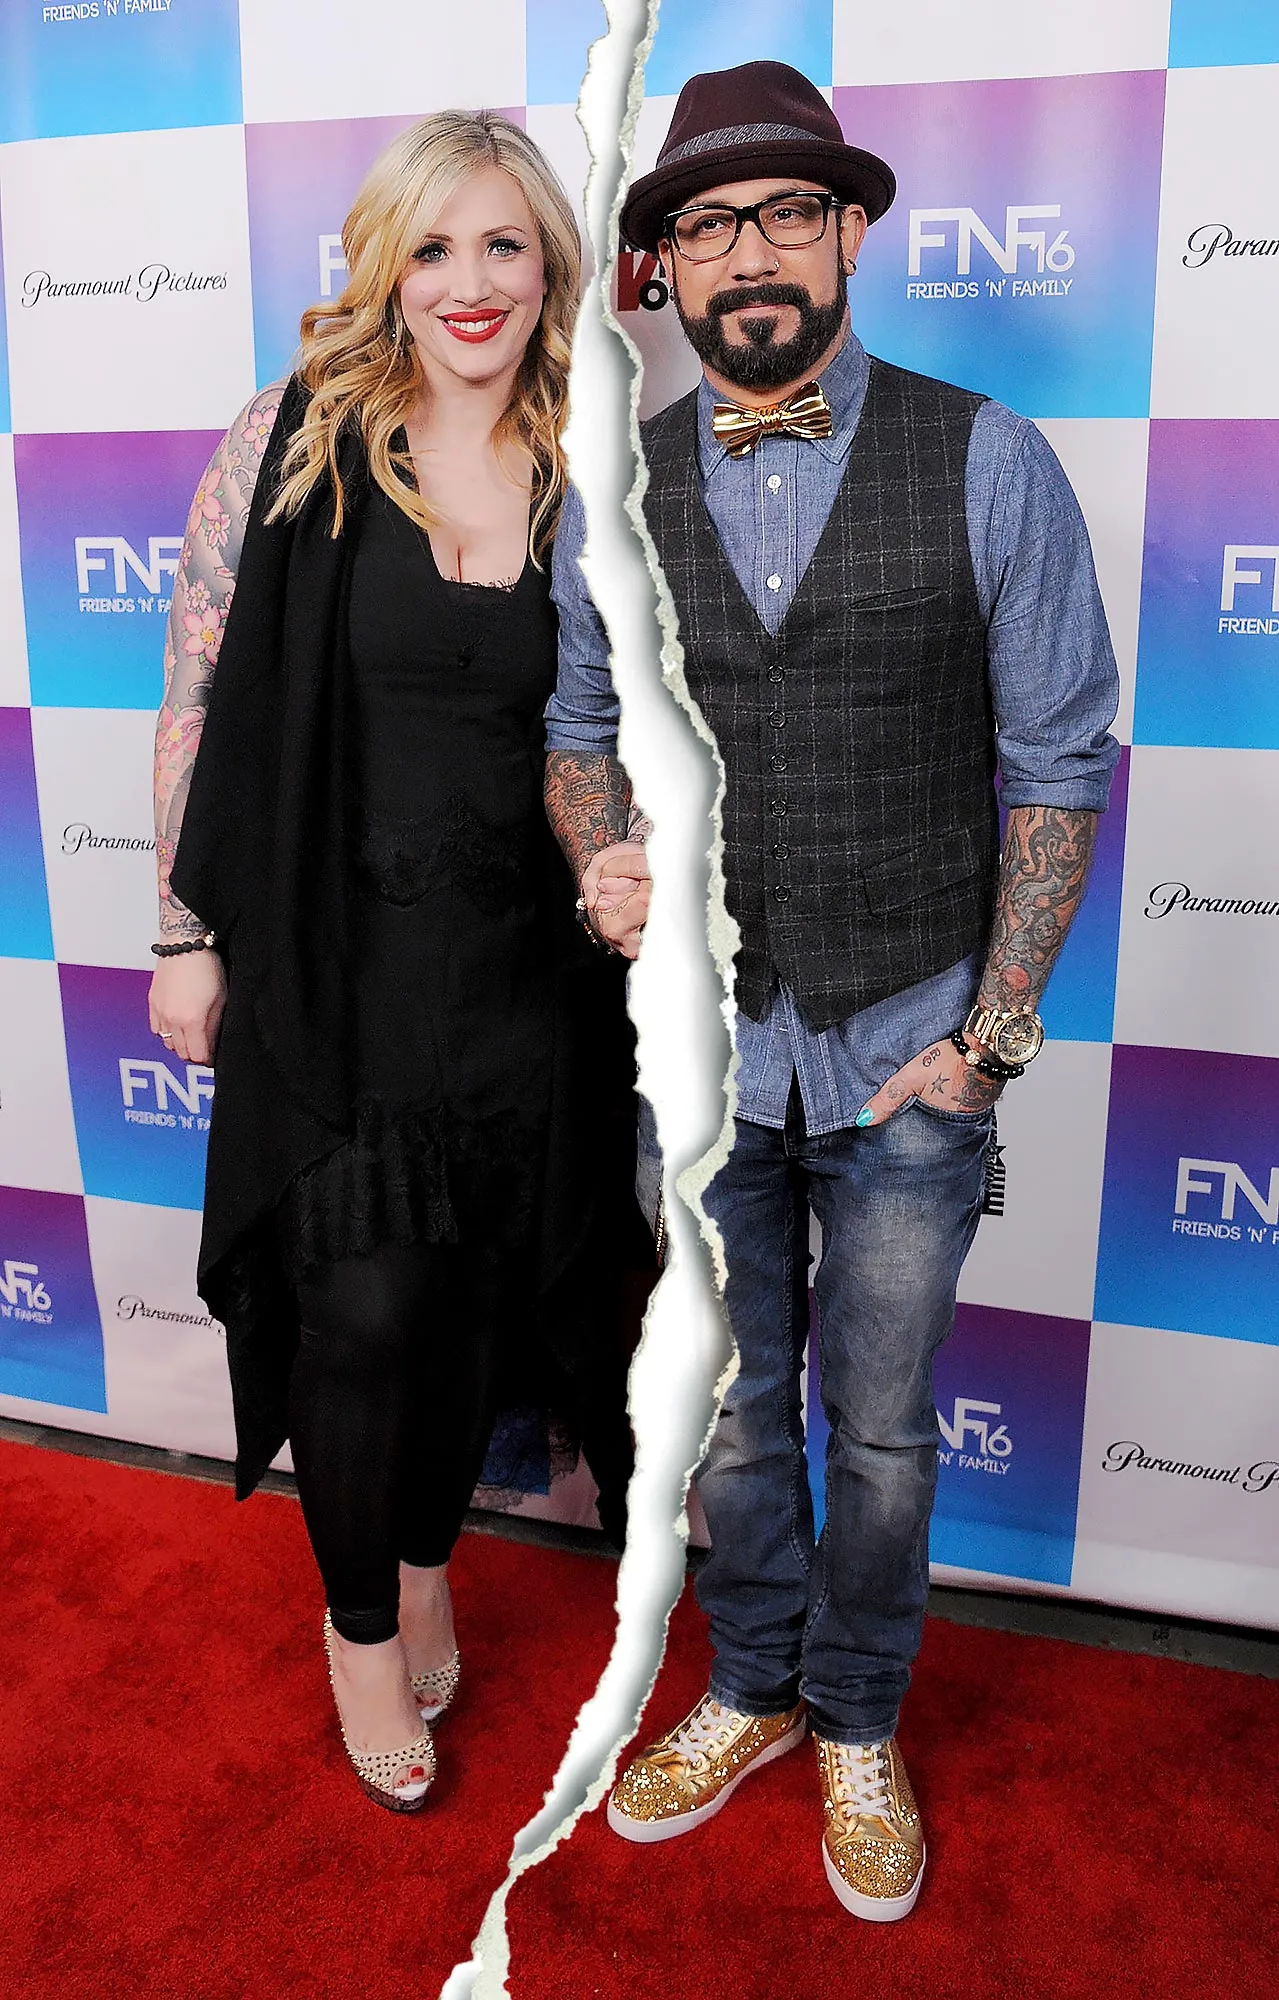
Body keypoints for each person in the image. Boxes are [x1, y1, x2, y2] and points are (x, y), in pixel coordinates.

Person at [544, 61, 1119, 1917]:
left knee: (876, 1431)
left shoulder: (988, 456)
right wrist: (600, 855)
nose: (749, 255)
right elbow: (576, 729)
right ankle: (753, 1688)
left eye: (786, 212)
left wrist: (988, 1039)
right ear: (663, 269)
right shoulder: (610, 491)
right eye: (707, 225)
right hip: (702, 1062)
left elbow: (1058, 760)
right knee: (727, 1418)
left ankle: (857, 1717)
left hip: (906, 1051)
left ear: (850, 232)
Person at [150, 111, 643, 1813]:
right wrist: (183, 931)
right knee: (358, 1314)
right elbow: (198, 696)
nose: (469, 282)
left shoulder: (594, 461)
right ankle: (362, 1633)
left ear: (550, 267)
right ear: (384, 265)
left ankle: (427, 1564)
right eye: (433, 247)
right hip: (329, 959)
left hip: (525, 978)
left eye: (503, 244)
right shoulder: (292, 438)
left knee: (465, 1312)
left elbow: (633, 723)